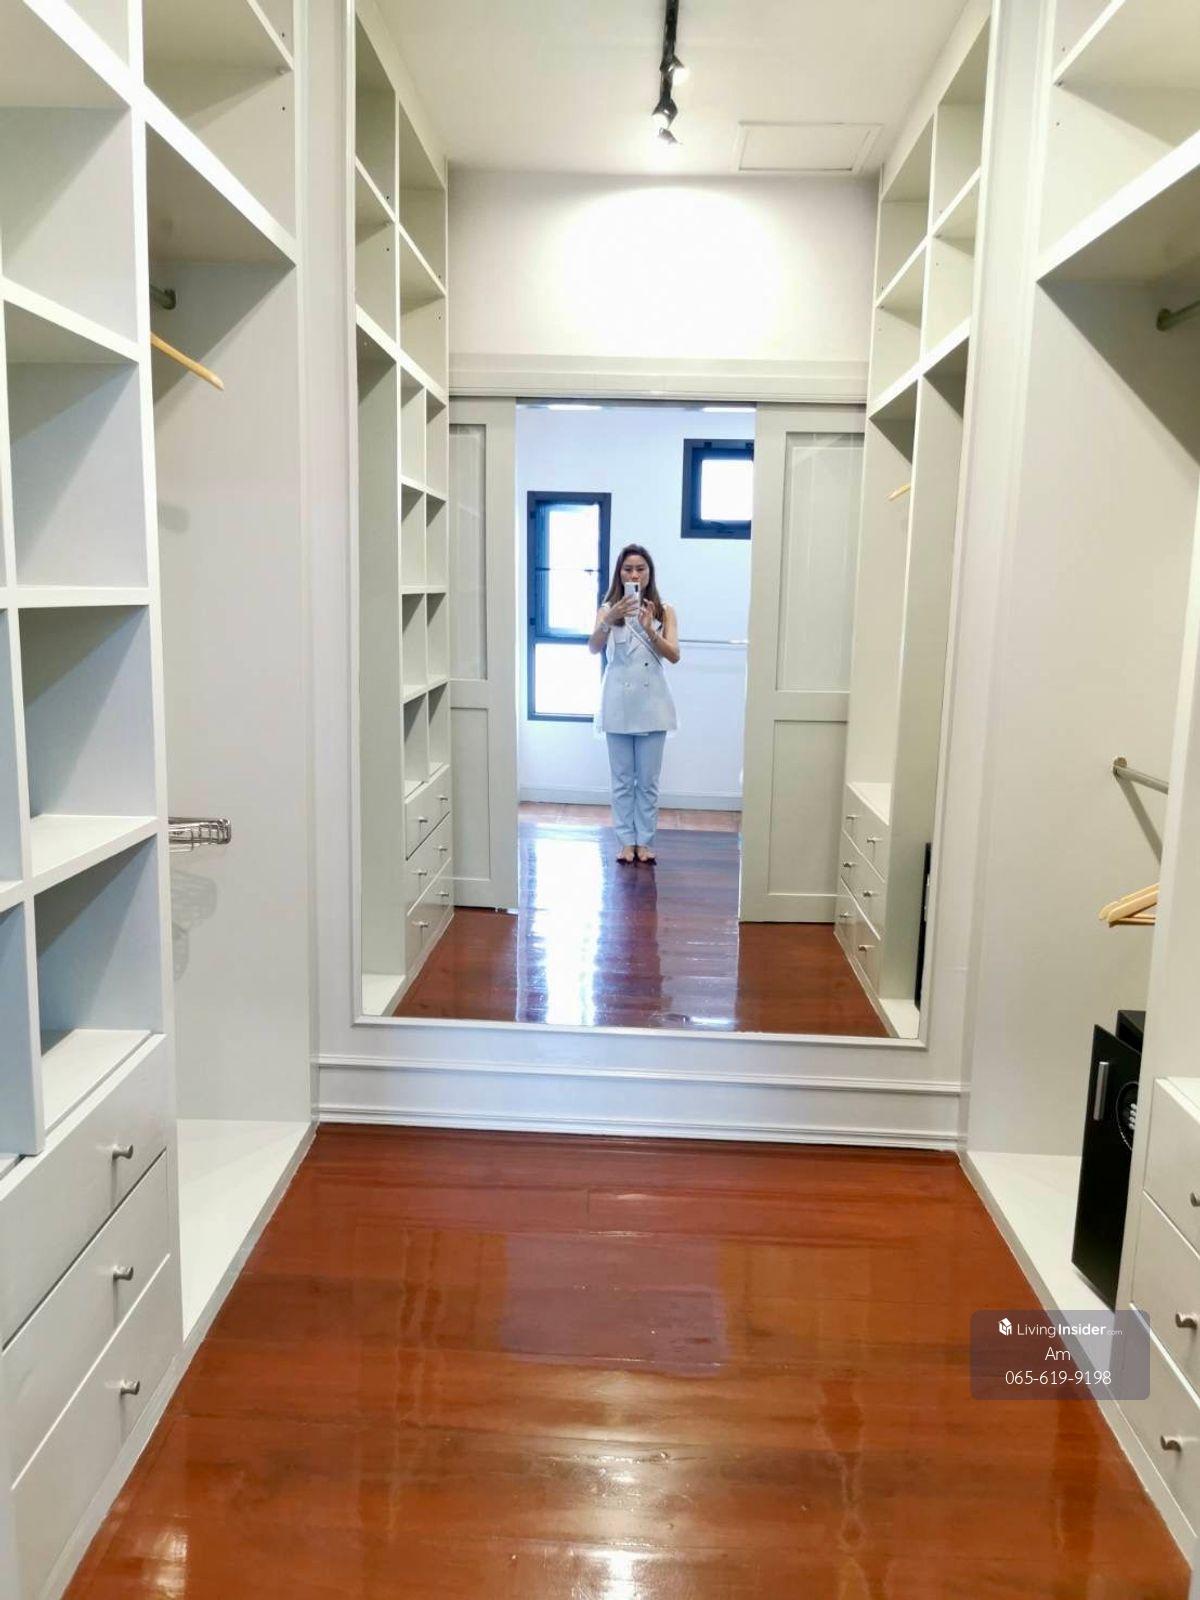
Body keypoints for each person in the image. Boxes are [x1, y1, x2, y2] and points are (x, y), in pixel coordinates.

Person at [588, 544, 680, 865]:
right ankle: (626, 842)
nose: (634, 574)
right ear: (619, 573)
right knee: (623, 779)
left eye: (640, 568)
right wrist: (609, 619)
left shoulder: (664, 610)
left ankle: (646, 841)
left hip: (653, 703)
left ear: (649, 572)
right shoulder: (608, 609)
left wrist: (648, 629)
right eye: (628, 569)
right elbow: (593, 647)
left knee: (649, 781)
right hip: (617, 701)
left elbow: (674, 655)